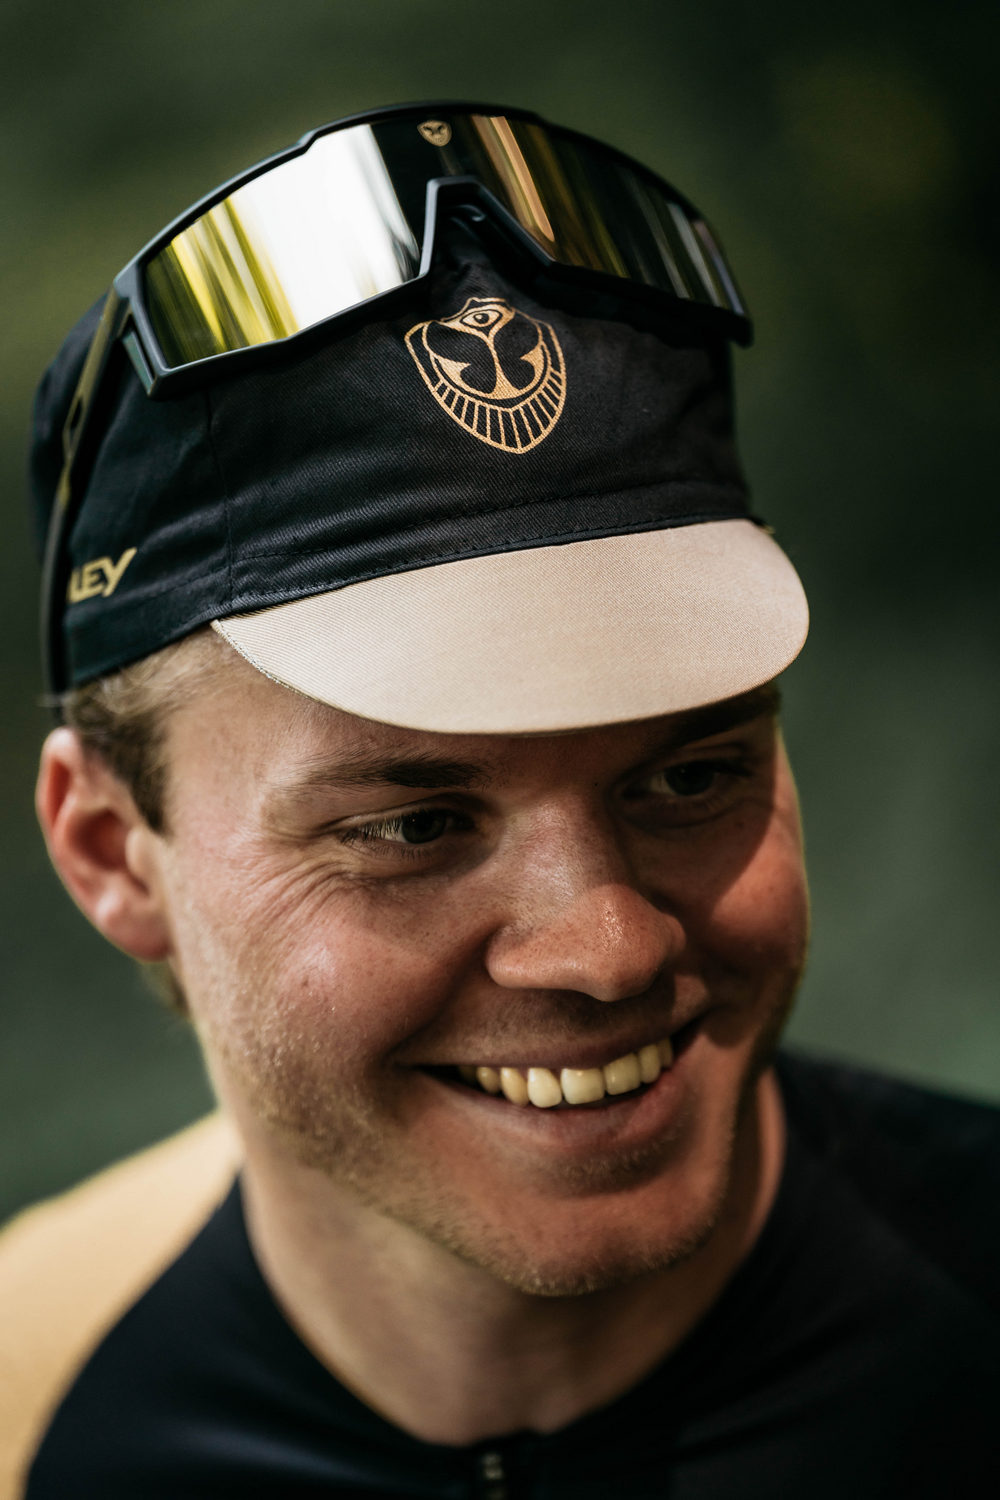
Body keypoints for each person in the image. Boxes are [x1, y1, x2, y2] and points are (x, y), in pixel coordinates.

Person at [2, 102, 997, 1498]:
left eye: (690, 777)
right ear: (112, 852)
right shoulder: (26, 1392)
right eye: (414, 826)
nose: (609, 949)